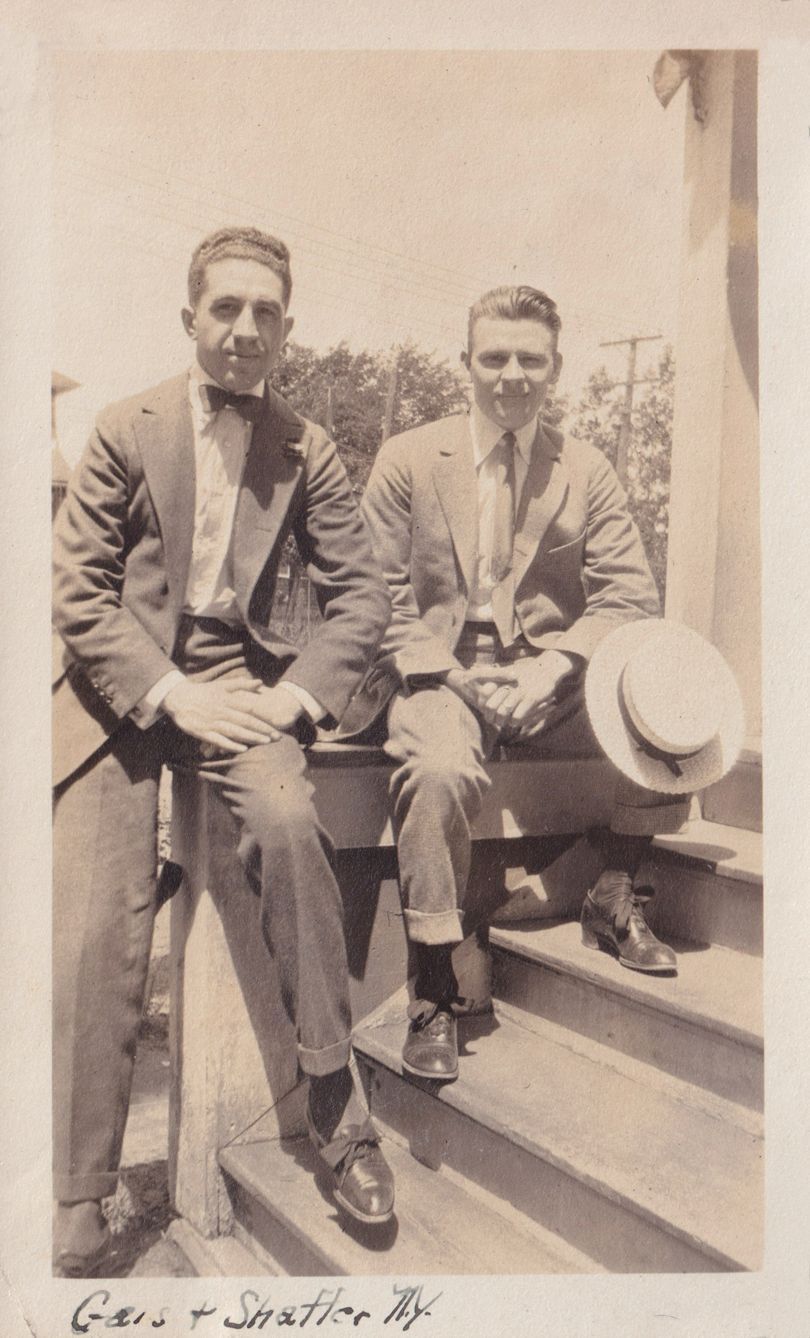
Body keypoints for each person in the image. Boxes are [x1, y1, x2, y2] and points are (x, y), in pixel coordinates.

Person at [51, 227, 395, 1275]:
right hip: (122, 690)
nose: (247, 329)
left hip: (242, 684)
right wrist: (169, 694)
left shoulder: (305, 445)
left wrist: (293, 698)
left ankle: (335, 1105)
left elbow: (363, 597)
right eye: (227, 308)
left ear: (287, 327)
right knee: (97, 919)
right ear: (190, 316)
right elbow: (79, 596)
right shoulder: (125, 425)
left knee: (290, 828)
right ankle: (82, 1186)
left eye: (267, 312)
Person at [357, 284, 691, 1085]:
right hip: (439, 672)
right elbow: (370, 595)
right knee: (439, 769)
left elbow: (627, 595)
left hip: (548, 677)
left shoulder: (586, 468)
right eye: (495, 357)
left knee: (673, 700)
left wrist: (554, 665)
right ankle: (434, 980)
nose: (512, 375)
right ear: (466, 363)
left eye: (530, 360)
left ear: (556, 367)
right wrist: (458, 677)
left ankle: (614, 888)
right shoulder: (409, 457)